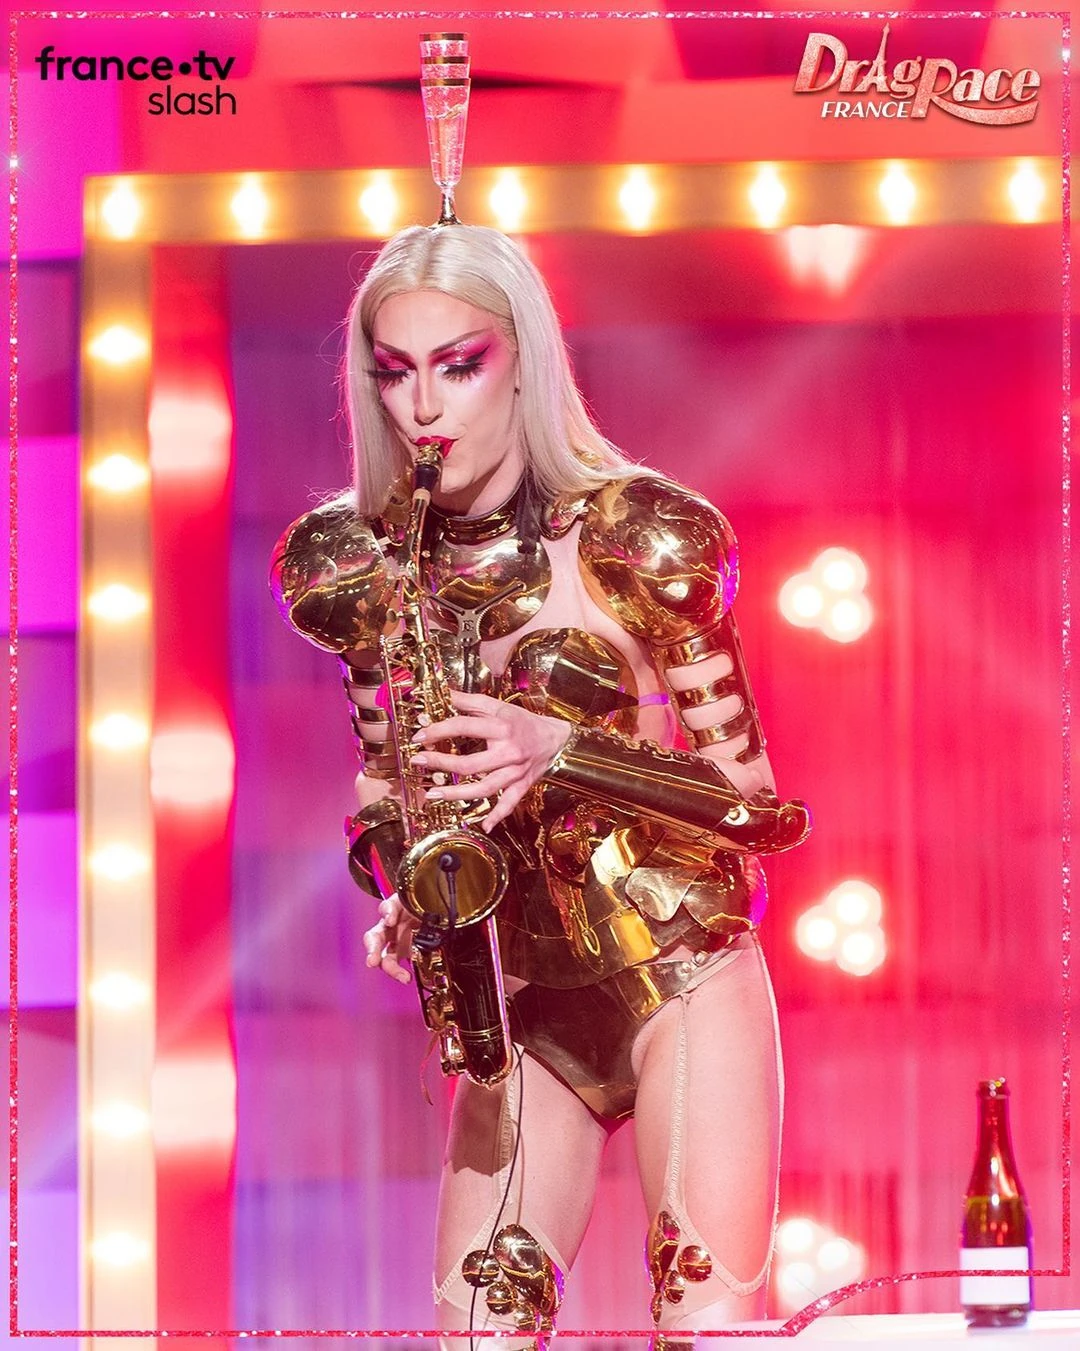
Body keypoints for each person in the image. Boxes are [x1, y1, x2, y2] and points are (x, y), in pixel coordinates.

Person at [270, 221, 810, 1342]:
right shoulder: (365, 567)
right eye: (395, 372)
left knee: (704, 1326)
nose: (425, 407)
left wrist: (561, 748)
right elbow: (381, 789)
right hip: (518, 1000)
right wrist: (403, 882)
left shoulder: (635, 534)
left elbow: (759, 808)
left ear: (524, 357)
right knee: (478, 1331)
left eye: (459, 364)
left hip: (680, 971)